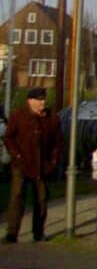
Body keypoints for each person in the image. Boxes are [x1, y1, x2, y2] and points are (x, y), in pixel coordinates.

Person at [3, 87, 63, 243]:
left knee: (41, 199)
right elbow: (8, 138)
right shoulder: (19, 115)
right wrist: (16, 155)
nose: (43, 102)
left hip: (42, 165)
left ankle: (38, 232)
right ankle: (12, 233)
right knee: (17, 197)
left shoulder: (52, 118)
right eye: (39, 99)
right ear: (31, 101)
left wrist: (53, 160)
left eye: (44, 99)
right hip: (21, 164)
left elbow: (57, 142)